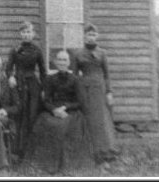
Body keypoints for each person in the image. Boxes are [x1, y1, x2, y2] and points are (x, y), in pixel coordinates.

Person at [27, 50, 92, 174]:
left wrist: (65, 107)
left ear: (69, 63)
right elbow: (45, 101)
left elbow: (80, 102)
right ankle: (44, 163)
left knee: (61, 126)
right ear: (56, 62)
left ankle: (64, 165)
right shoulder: (50, 79)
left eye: (64, 60)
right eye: (59, 60)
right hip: (53, 110)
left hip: (71, 112)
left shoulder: (75, 79)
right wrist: (54, 109)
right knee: (44, 123)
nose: (62, 62)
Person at [71, 23, 119, 167]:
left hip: (100, 89)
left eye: (93, 35)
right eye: (88, 35)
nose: (91, 37)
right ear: (84, 36)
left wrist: (109, 92)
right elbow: (74, 76)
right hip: (85, 90)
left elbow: (107, 75)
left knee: (102, 121)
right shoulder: (78, 54)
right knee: (91, 120)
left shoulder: (102, 53)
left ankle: (106, 153)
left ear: (97, 36)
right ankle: (93, 154)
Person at [5, 21, 46, 159]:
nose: (26, 35)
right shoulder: (15, 50)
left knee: (32, 115)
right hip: (18, 85)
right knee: (19, 116)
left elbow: (43, 71)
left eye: (28, 32)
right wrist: (11, 77)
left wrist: (44, 89)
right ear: (20, 34)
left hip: (33, 86)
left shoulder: (37, 50)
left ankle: (31, 152)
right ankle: (17, 151)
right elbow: (8, 68)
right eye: (23, 32)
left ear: (33, 34)